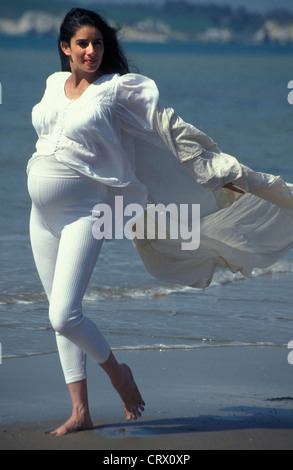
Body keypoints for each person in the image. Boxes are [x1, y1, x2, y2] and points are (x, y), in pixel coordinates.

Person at [27, 7, 293, 436]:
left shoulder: (117, 89)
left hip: (86, 213)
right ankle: (80, 412)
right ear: (65, 48)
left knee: (64, 315)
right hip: (41, 217)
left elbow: (170, 128)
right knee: (60, 315)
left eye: (97, 43)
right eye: (82, 43)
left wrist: (218, 171)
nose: (92, 51)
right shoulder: (54, 84)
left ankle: (119, 375)